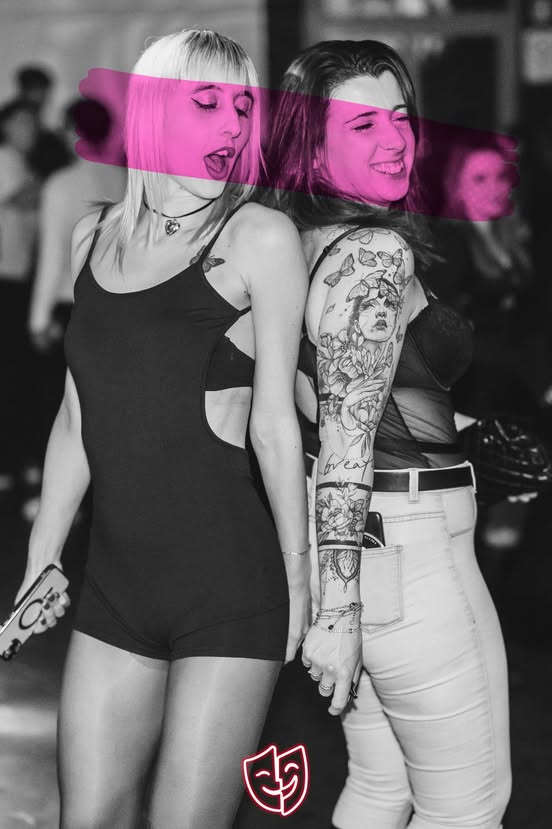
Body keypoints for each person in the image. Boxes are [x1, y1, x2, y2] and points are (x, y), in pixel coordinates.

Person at [14, 28, 310, 829]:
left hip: (230, 589)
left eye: (242, 106)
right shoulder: (93, 233)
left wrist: (302, 584)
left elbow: (276, 426)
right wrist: (42, 554)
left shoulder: (257, 237)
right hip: (115, 587)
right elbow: (77, 416)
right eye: (206, 102)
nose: (231, 125)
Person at [266, 39, 511, 828]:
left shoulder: (290, 240)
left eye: (400, 117)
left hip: (360, 553)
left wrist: (461, 431)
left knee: (380, 789)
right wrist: (337, 618)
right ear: (313, 143)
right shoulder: (373, 254)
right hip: (410, 556)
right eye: (362, 124)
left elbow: (326, 399)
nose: (394, 139)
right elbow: (346, 438)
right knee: (468, 809)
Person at [23, 99, 125, 521]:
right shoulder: (123, 179)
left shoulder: (62, 183)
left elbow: (52, 256)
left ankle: (63, 505)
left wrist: (37, 319)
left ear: (70, 132)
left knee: (63, 412)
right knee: (107, 408)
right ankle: (103, 499)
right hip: (119, 306)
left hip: (72, 307)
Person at [0, 100, 40, 507]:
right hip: (6, 281)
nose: (31, 127)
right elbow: (17, 199)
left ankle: (13, 462)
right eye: (23, 120)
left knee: (15, 375)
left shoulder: (22, 164)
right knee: (10, 374)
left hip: (17, 280)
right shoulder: (5, 160)